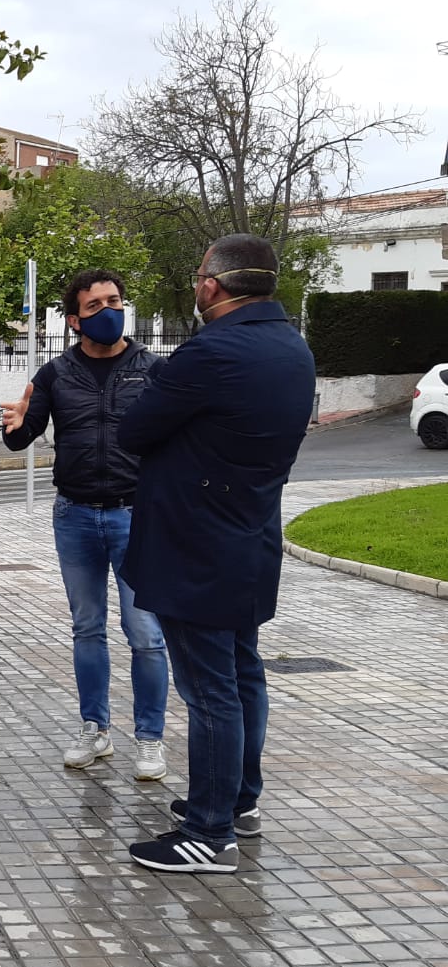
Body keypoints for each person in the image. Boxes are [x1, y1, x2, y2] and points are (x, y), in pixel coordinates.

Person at [118, 235, 315, 874]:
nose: (197, 283)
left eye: (201, 274)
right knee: (241, 672)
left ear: (215, 285)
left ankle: (209, 832)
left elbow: (136, 430)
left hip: (195, 543)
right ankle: (238, 803)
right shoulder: (293, 346)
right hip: (248, 536)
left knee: (209, 692)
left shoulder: (212, 351)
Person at [0, 270, 170, 780]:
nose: (108, 311)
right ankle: (95, 730)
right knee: (86, 628)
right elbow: (20, 439)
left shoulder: (154, 370)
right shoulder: (55, 374)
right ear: (74, 320)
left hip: (137, 516)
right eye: (94, 306)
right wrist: (16, 421)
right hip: (73, 515)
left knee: (145, 632)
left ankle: (149, 739)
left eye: (114, 301)